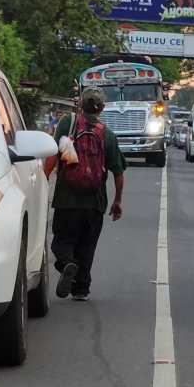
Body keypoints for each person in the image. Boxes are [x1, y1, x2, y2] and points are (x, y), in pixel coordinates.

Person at [43, 87, 126, 301]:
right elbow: (118, 171)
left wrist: (43, 182)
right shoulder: (107, 134)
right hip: (95, 203)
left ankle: (67, 263)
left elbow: (53, 155)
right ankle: (81, 289)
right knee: (87, 246)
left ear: (80, 103)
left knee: (61, 242)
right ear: (102, 108)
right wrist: (117, 201)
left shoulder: (67, 123)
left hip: (66, 199)